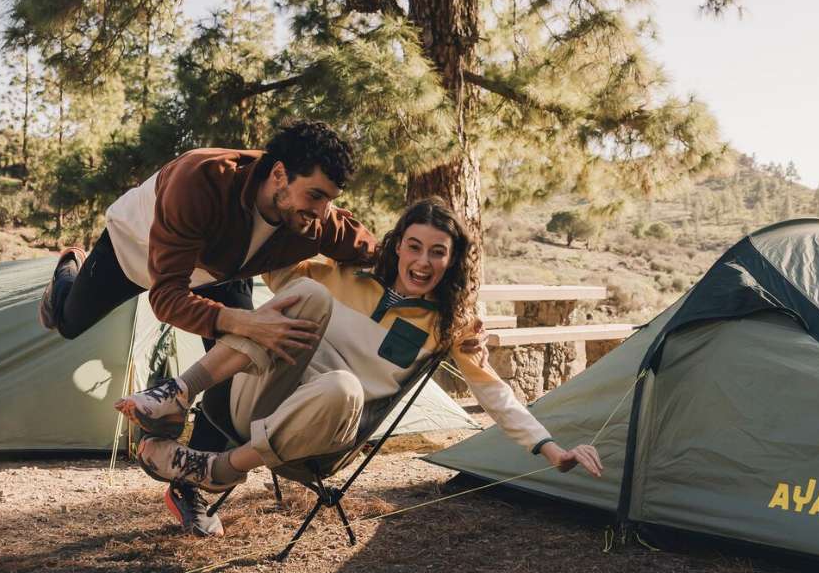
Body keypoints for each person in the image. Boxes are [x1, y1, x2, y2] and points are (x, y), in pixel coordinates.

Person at [114, 198, 604, 514]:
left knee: (343, 385)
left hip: (320, 438)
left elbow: (494, 394)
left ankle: (221, 469)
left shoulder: (446, 323)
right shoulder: (341, 275)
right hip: (257, 397)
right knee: (309, 294)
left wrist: (551, 449)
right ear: (397, 246)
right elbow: (258, 255)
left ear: (452, 261)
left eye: (438, 252)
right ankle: (178, 391)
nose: (423, 261)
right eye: (414, 246)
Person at [37, 118, 378, 535]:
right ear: (278, 175)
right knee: (68, 321)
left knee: (229, 376)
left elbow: (382, 253)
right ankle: (67, 272)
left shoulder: (315, 221)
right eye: (316, 195)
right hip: (135, 251)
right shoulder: (198, 178)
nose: (323, 210)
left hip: (220, 273)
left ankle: (187, 484)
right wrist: (245, 321)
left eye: (331, 199)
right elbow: (166, 297)